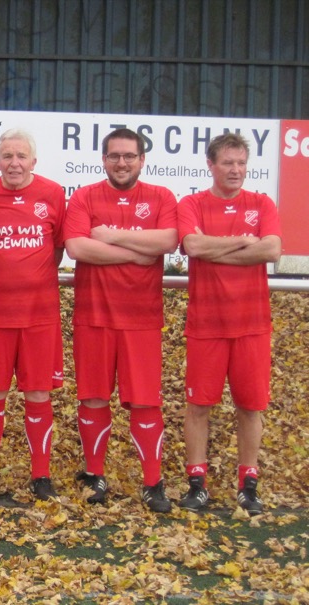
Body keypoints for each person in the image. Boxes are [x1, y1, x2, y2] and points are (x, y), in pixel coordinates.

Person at [63, 128, 178, 513]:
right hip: (93, 315)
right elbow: (77, 247)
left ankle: (152, 482)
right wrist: (135, 251)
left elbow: (166, 242)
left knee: (145, 401)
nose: (122, 162)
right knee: (93, 396)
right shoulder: (84, 196)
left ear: (142, 159)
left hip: (141, 318)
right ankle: (94, 474)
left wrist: (110, 236)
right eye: (114, 156)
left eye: (129, 156)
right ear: (103, 159)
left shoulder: (161, 197)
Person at [175, 133, 282, 515]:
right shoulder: (192, 203)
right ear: (211, 165)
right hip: (206, 323)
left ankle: (248, 485)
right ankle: (197, 483)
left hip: (252, 324)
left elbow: (271, 249)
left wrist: (217, 246)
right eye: (227, 163)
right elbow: (193, 247)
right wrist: (242, 242)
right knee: (198, 407)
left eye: (241, 163)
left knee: (250, 407)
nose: (235, 170)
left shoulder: (260, 202)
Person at [0, 129, 65, 503]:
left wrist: (28, 281)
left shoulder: (53, 194)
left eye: (21, 156)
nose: (14, 163)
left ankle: (41, 475)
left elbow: (55, 251)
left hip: (40, 315)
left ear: (33, 161)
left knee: (38, 393)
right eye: (7, 156)